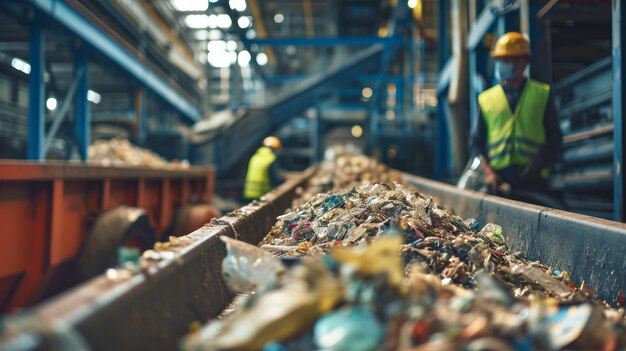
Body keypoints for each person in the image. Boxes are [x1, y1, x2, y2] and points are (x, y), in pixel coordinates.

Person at [470, 32, 562, 194]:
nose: (501, 65)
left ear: (522, 62)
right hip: (498, 182)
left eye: (506, 60)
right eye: (499, 60)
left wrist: (540, 161)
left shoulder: (542, 93)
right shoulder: (486, 98)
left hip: (534, 180)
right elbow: (475, 143)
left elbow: (555, 137)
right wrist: (489, 173)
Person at [243, 136, 284, 200]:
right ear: (275, 149)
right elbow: (276, 180)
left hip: (248, 194)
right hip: (264, 194)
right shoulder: (271, 159)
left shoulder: (254, 157)